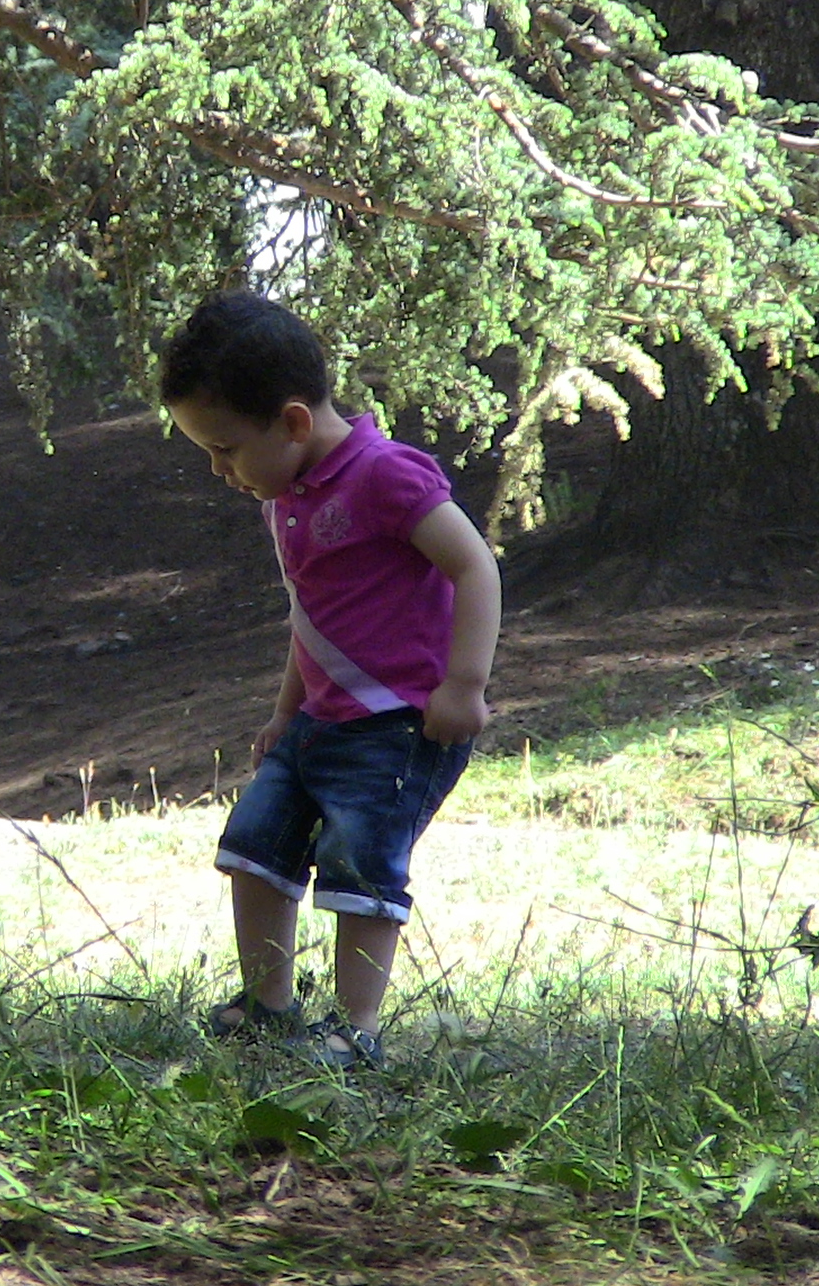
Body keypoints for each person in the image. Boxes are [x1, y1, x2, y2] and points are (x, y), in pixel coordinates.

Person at [160, 291, 501, 1069]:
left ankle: (358, 1027)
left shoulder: (386, 477)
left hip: (399, 723)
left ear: (292, 423)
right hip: (320, 721)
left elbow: (475, 566)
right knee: (253, 847)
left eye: (225, 449)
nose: (220, 471)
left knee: (360, 863)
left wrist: (464, 684)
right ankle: (268, 1005)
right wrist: (287, 712)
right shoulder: (285, 498)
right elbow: (313, 619)